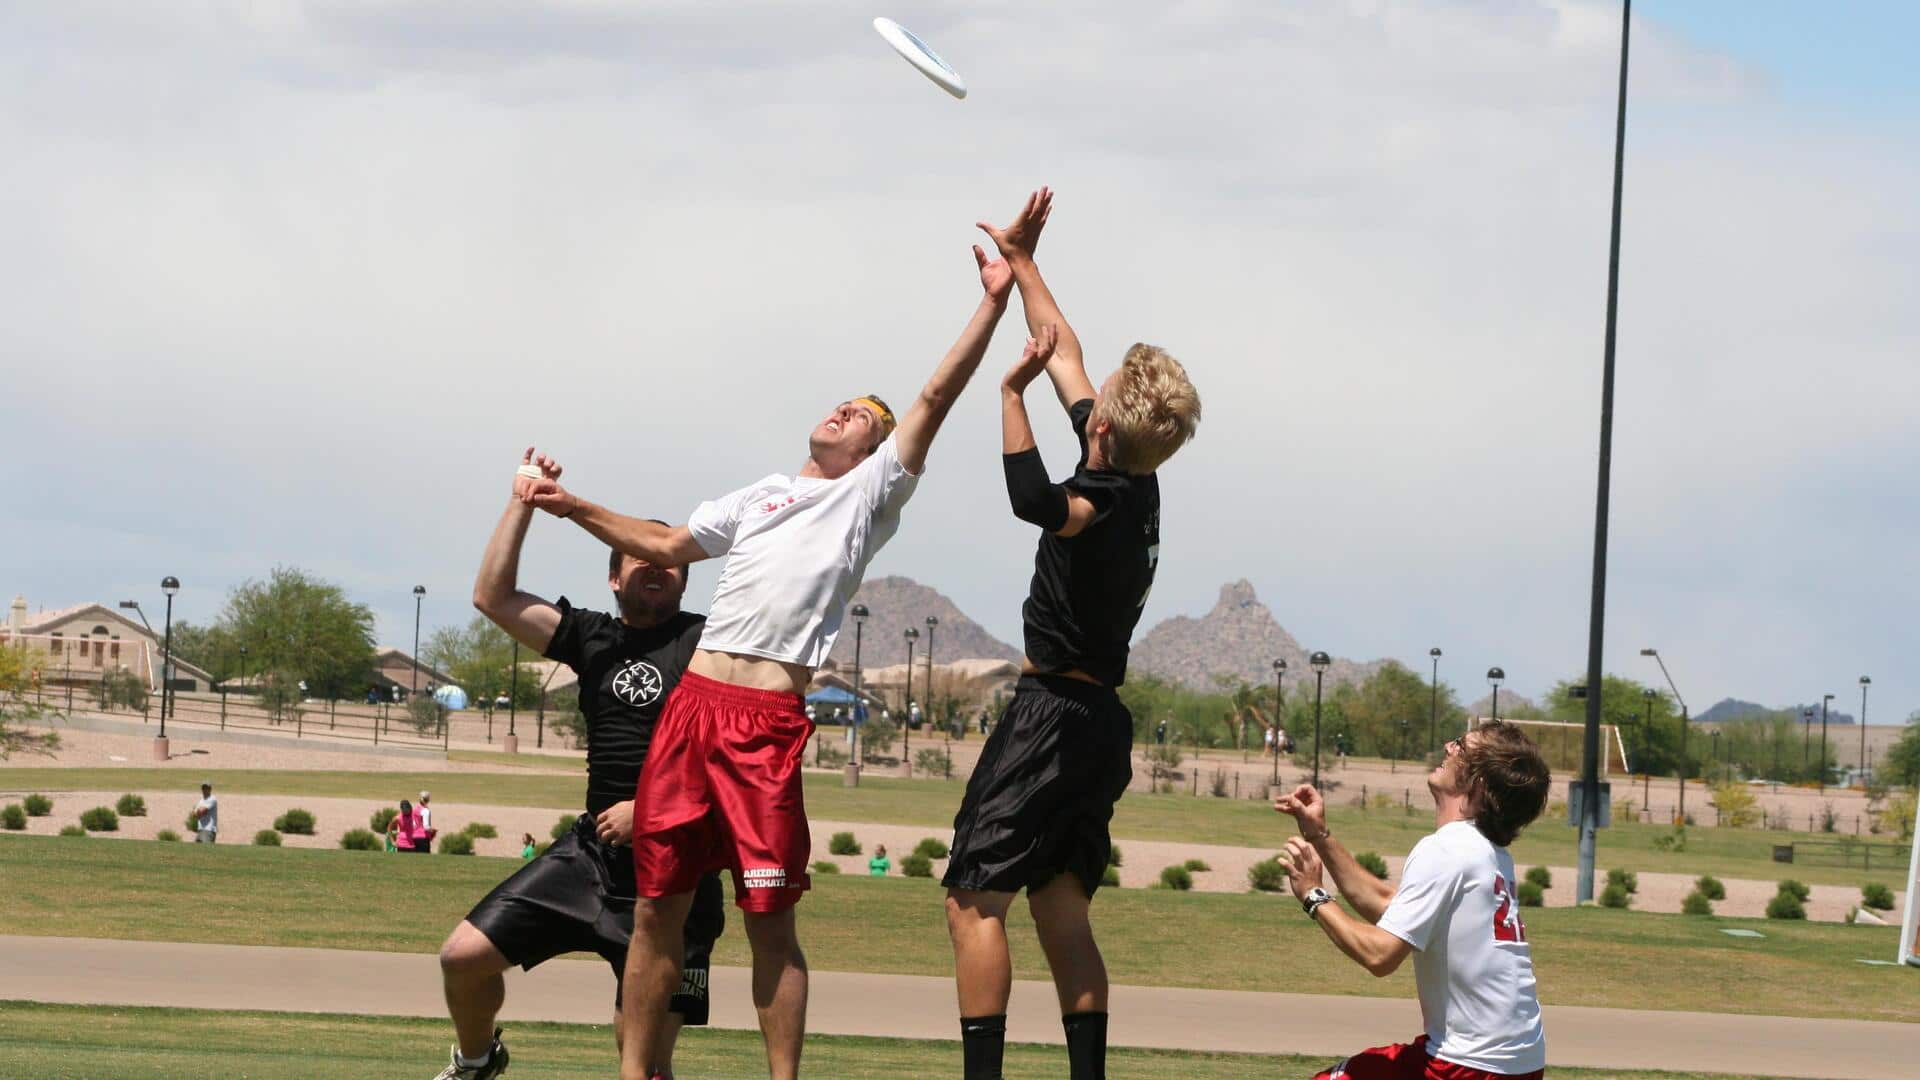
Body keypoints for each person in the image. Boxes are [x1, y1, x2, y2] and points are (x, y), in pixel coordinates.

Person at [520, 208, 1018, 1080]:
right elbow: (669, 544)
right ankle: (636, 1074)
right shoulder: (759, 495)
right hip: (691, 712)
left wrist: (991, 302)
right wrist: (571, 506)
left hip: (762, 721)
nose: (845, 411)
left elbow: (935, 397)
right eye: (842, 402)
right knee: (654, 912)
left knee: (768, 921)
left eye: (864, 413)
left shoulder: (868, 499)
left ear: (875, 448)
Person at [943, 187, 1203, 1080]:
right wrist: (1020, 261)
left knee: (975, 899)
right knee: (1060, 906)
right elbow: (1070, 350)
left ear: (1102, 427)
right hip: (1102, 726)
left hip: (1051, 715)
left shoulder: (1102, 498)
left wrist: (1007, 388)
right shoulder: (1132, 466)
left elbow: (1031, 501)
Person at [430, 452, 726, 1080]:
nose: (655, 566)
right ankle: (478, 1060)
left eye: (668, 561)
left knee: (642, 1062)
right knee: (461, 957)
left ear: (685, 580)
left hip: (677, 871)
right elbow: (493, 596)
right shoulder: (592, 637)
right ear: (614, 580)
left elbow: (739, 761)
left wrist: (651, 811)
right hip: (591, 858)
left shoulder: (712, 645)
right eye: (638, 558)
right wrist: (524, 501)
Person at [1274, 721, 1552, 1080]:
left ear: (1478, 783)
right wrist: (1320, 836)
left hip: (1466, 1064)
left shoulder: (1447, 848)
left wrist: (1314, 896)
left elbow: (1380, 956)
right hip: (1518, 1064)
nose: (1449, 747)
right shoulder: (1485, 852)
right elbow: (1392, 907)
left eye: (1461, 748)